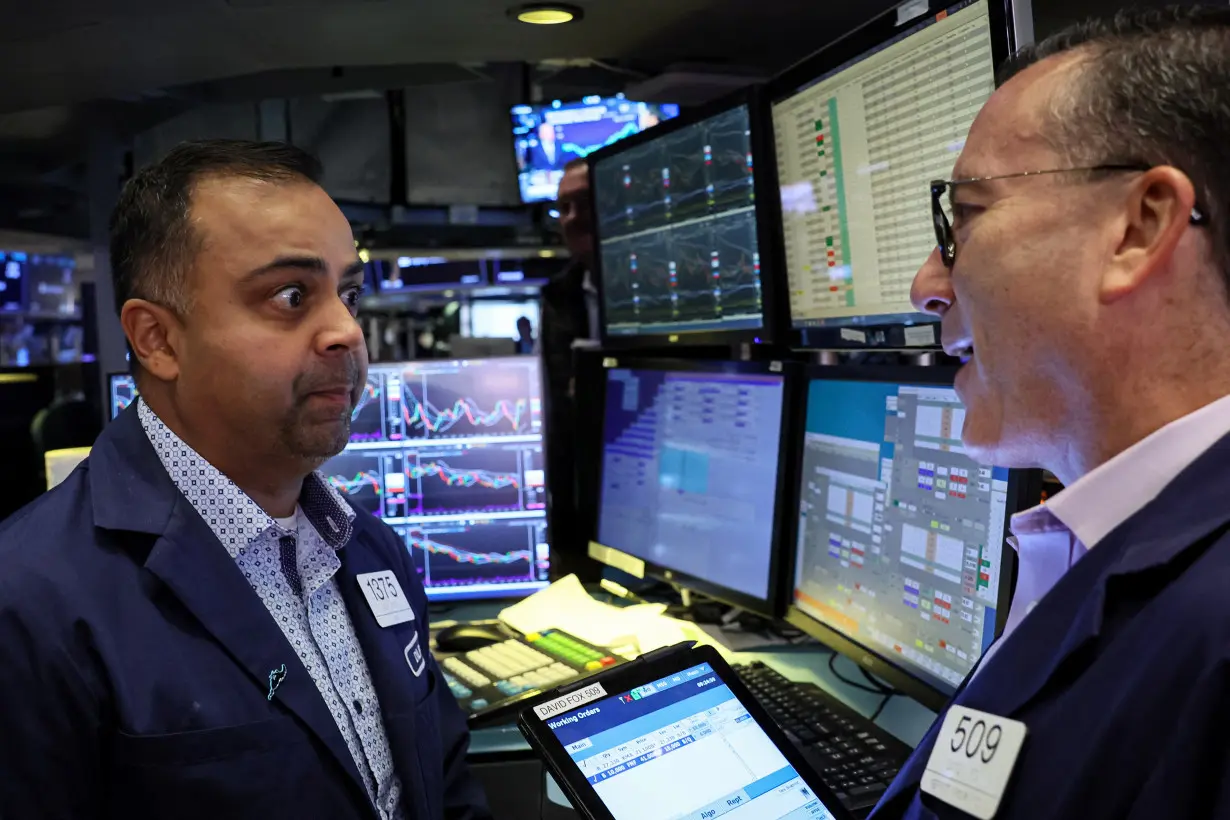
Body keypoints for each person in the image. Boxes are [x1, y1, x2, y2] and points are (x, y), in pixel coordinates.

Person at [0, 140, 491, 820]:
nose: (347, 331)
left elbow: (445, 792)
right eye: (292, 296)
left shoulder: (373, 550)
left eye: (348, 292)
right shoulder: (29, 602)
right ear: (158, 340)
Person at [873, 7, 1230, 819]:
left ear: (1140, 228)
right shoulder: (1099, 545)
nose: (928, 283)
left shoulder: (1214, 627)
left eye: (962, 216)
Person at [538, 158, 602, 580]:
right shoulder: (557, 297)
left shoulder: (659, 302)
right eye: (563, 207)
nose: (572, 218)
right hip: (578, 524)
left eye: (585, 202)